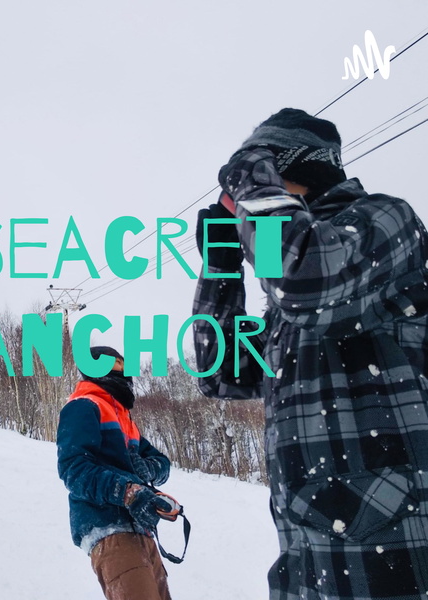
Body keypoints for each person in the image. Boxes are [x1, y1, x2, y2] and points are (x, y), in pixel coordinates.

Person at [193, 108, 428, 600]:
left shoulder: (386, 222)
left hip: (393, 564)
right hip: (311, 567)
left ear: (288, 175)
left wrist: (248, 176)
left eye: (250, 190)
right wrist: (221, 264)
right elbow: (222, 371)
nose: (238, 209)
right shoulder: (290, 306)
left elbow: (304, 278)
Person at [57, 346, 173, 600]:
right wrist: (128, 491)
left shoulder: (123, 417)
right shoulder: (83, 406)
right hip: (108, 527)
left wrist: (147, 469)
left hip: (141, 531)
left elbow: (162, 462)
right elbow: (73, 469)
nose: (125, 371)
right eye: (118, 364)